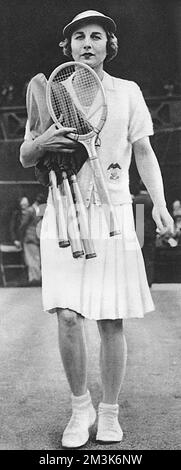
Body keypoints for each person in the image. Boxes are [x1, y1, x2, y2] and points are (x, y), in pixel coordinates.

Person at [20, 10, 174, 448]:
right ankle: (79, 408)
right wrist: (42, 143)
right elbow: (27, 155)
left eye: (97, 36)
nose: (88, 43)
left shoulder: (127, 93)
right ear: (67, 48)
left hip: (114, 215)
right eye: (79, 38)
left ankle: (109, 412)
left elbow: (143, 152)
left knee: (110, 320)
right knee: (68, 316)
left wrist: (160, 204)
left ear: (110, 45)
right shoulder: (51, 92)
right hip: (63, 214)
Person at [133, 180, 156, 287]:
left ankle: (139, 281)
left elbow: (136, 217)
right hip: (150, 231)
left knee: (138, 257)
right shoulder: (151, 201)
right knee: (149, 258)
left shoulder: (136, 200)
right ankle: (148, 282)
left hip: (138, 230)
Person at [20, 193, 45, 285]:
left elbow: (23, 225)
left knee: (33, 258)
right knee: (33, 258)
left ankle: (35, 278)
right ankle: (35, 279)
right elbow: (24, 225)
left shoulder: (33, 210)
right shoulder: (33, 210)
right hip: (32, 237)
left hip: (33, 238)